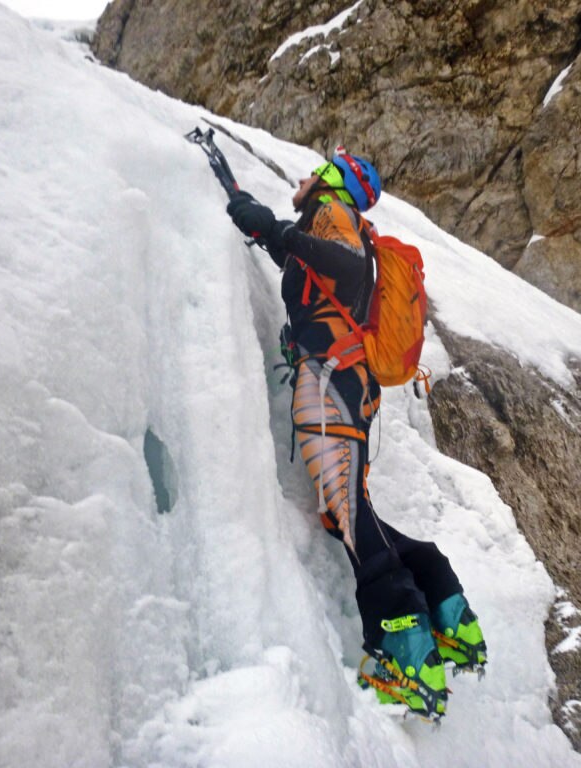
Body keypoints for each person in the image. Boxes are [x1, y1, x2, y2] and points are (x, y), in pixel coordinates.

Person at [225, 149, 486, 719]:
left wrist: (278, 229)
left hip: (332, 380)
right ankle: (445, 602)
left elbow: (341, 265)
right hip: (347, 381)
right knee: (346, 510)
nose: (303, 178)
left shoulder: (330, 210)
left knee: (346, 511)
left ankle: (408, 656)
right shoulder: (330, 219)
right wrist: (259, 220)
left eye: (315, 171)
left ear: (333, 180)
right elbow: (316, 267)